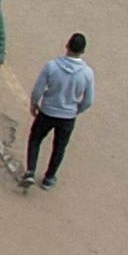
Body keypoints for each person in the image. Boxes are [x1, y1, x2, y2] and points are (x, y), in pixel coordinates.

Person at [24, 34, 95, 188]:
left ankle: (30, 171)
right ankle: (49, 178)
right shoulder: (87, 73)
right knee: (59, 146)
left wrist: (34, 103)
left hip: (48, 111)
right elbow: (88, 100)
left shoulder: (52, 66)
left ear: (67, 45)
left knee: (35, 139)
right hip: (68, 116)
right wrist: (75, 110)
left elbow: (38, 89)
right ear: (83, 51)